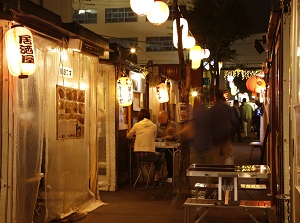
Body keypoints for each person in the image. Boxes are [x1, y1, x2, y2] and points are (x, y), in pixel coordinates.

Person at [126, 109, 163, 186]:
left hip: (138, 155)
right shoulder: (153, 126)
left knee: (157, 158)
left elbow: (128, 136)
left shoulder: (136, 125)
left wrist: (133, 135)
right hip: (149, 154)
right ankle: (155, 179)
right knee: (160, 158)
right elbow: (154, 137)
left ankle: (148, 178)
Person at [210, 90, 234, 165]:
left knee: (215, 156)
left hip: (215, 134)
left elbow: (211, 121)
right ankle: (228, 172)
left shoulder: (213, 109)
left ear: (215, 98)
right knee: (228, 154)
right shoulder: (227, 108)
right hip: (225, 133)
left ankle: (216, 173)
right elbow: (232, 120)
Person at [156, 110, 178, 184]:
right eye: (159, 118)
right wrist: (165, 137)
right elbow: (155, 138)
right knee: (156, 154)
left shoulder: (172, 124)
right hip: (160, 146)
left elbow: (177, 137)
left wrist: (172, 136)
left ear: (166, 117)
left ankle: (170, 175)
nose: (160, 120)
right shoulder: (156, 126)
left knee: (169, 155)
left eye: (161, 118)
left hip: (170, 146)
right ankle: (156, 176)